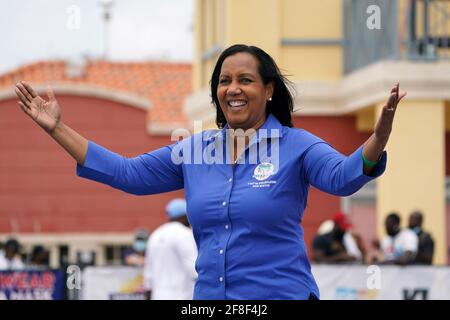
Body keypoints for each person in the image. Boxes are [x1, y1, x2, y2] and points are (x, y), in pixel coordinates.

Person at [13, 44, 406, 299]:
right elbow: (127, 174)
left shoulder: (297, 145)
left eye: (245, 80)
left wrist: (378, 137)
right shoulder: (195, 149)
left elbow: (345, 175)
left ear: (269, 90)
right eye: (224, 81)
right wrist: (57, 129)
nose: (233, 88)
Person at [143, 198, 197, 300]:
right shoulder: (184, 234)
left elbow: (148, 273)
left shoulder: (155, 234)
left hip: (157, 296)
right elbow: (194, 269)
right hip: (182, 296)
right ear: (185, 216)